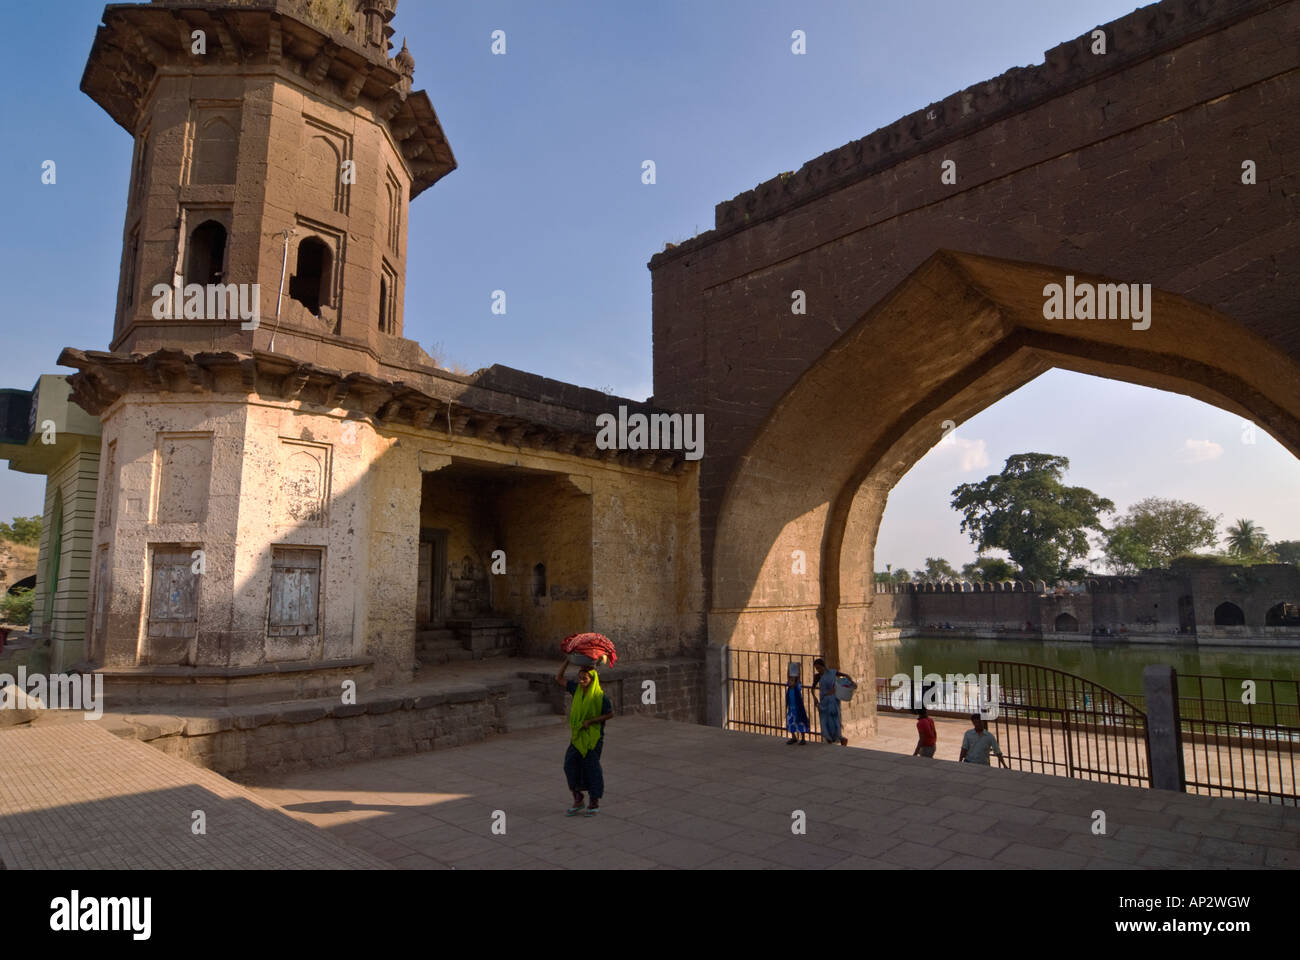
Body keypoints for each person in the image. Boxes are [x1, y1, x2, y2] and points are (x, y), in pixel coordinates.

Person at [554, 659, 614, 816]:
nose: (581, 681)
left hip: (593, 738)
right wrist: (567, 661)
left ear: (592, 680)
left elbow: (610, 714)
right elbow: (558, 678)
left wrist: (591, 721)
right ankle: (578, 798)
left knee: (592, 768)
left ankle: (594, 802)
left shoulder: (600, 697)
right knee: (569, 765)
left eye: (584, 679)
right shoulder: (576, 690)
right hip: (578, 736)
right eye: (580, 678)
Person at [811, 657, 849, 746]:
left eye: (819, 668)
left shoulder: (832, 673)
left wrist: (850, 680)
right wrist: (815, 698)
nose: (818, 670)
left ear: (823, 666)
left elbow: (845, 675)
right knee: (824, 720)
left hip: (833, 701)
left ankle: (840, 737)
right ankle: (828, 738)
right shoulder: (817, 676)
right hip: (824, 701)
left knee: (835, 720)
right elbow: (812, 689)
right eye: (817, 668)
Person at [785, 667, 810, 745]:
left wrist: (798, 671)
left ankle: (803, 738)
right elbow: (788, 676)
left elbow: (798, 680)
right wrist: (789, 670)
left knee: (800, 723)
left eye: (792, 680)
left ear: (795, 682)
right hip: (791, 710)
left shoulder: (797, 688)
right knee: (790, 723)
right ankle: (793, 737)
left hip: (798, 709)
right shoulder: (789, 689)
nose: (789, 682)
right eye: (789, 680)